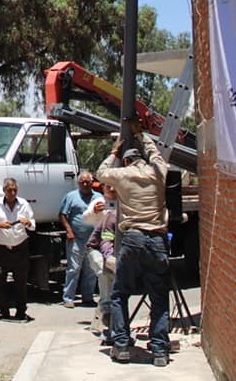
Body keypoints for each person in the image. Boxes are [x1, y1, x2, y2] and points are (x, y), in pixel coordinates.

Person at [96, 124, 172, 367]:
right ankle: (159, 351)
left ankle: (121, 346)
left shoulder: (123, 175)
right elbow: (156, 154)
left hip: (133, 238)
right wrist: (141, 135)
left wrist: (114, 151)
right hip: (157, 239)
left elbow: (101, 172)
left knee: (120, 294)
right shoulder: (158, 171)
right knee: (158, 295)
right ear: (142, 159)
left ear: (127, 162)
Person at [0, 177, 35, 321]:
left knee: (21, 282)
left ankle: (21, 311)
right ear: (4, 190)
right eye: (9, 190)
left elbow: (33, 224)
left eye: (15, 190)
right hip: (1, 247)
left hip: (20, 247)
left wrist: (28, 222)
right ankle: (3, 311)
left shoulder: (23, 204)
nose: (12, 193)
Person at [58, 171, 102, 308]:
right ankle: (68, 297)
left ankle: (88, 298)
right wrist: (69, 230)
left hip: (93, 239)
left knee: (91, 269)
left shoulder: (98, 197)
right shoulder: (71, 196)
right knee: (74, 268)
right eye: (82, 182)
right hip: (76, 238)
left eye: (87, 182)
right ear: (78, 183)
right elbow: (62, 214)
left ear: (92, 182)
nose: (84, 184)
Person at [82, 182, 119, 336]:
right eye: (107, 186)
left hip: (113, 248)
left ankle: (107, 315)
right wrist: (96, 213)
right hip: (97, 248)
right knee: (105, 276)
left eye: (113, 186)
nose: (111, 189)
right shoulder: (99, 203)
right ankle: (107, 318)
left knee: (112, 284)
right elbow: (87, 218)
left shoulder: (123, 203)